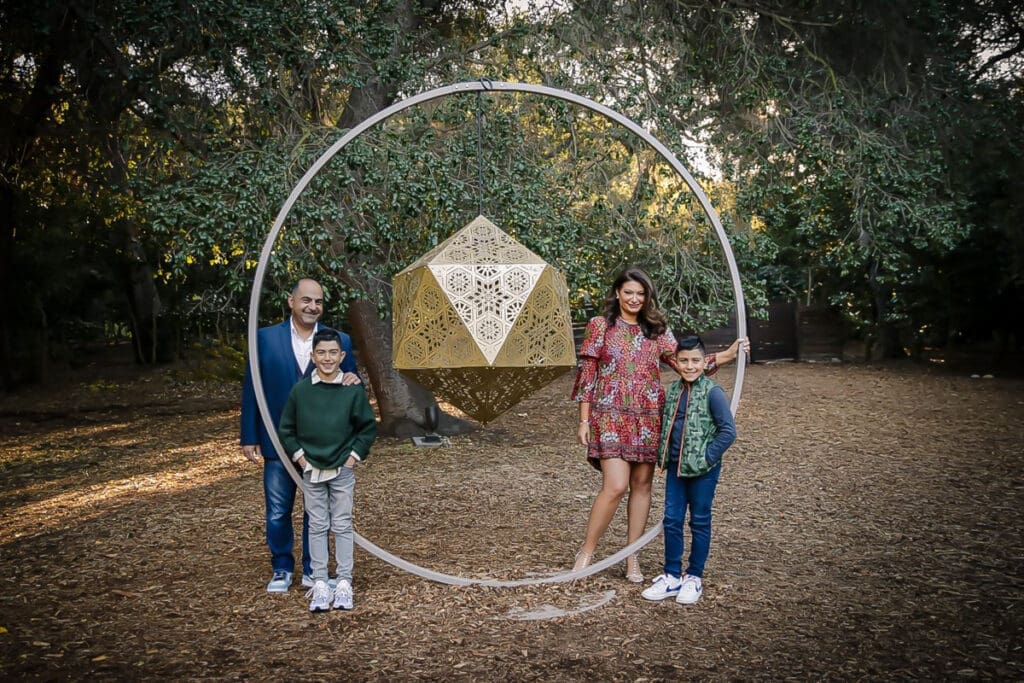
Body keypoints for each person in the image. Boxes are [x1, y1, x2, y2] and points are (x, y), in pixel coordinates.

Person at [571, 267, 746, 582]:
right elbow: (588, 374)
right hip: (610, 414)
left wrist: (724, 357)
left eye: (640, 293)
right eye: (629, 292)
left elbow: (684, 363)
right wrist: (584, 419)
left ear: (647, 296)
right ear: (617, 294)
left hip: (650, 416)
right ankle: (587, 551)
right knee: (615, 486)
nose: (635, 299)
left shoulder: (657, 330)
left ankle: (631, 556)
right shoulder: (600, 326)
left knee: (642, 486)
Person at [240, 278, 360, 593]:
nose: (312, 307)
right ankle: (281, 567)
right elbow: (252, 387)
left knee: (316, 509)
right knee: (278, 509)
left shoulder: (339, 340)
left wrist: (352, 381)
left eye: (318, 301)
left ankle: (312, 569)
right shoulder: (263, 338)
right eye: (306, 300)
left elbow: (353, 383)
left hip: (321, 445)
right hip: (277, 443)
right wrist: (249, 434)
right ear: (291, 300)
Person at [278, 328, 377, 612]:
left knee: (342, 524)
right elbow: (287, 428)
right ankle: (320, 582)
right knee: (318, 524)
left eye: (333, 352)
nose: (327, 358)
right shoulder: (301, 390)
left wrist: (352, 458)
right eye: (321, 352)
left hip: (342, 469)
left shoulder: (351, 389)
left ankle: (344, 582)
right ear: (313, 356)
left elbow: (367, 428)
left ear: (342, 355)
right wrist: (301, 459)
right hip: (312, 469)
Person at [642, 334, 737, 604]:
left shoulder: (713, 392)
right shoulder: (673, 390)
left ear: (705, 363)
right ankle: (672, 575)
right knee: (672, 520)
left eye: (696, 360)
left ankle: (693, 576)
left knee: (699, 521)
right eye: (684, 361)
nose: (690, 366)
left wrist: (707, 458)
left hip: (703, 471)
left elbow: (728, 432)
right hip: (675, 468)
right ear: (677, 362)